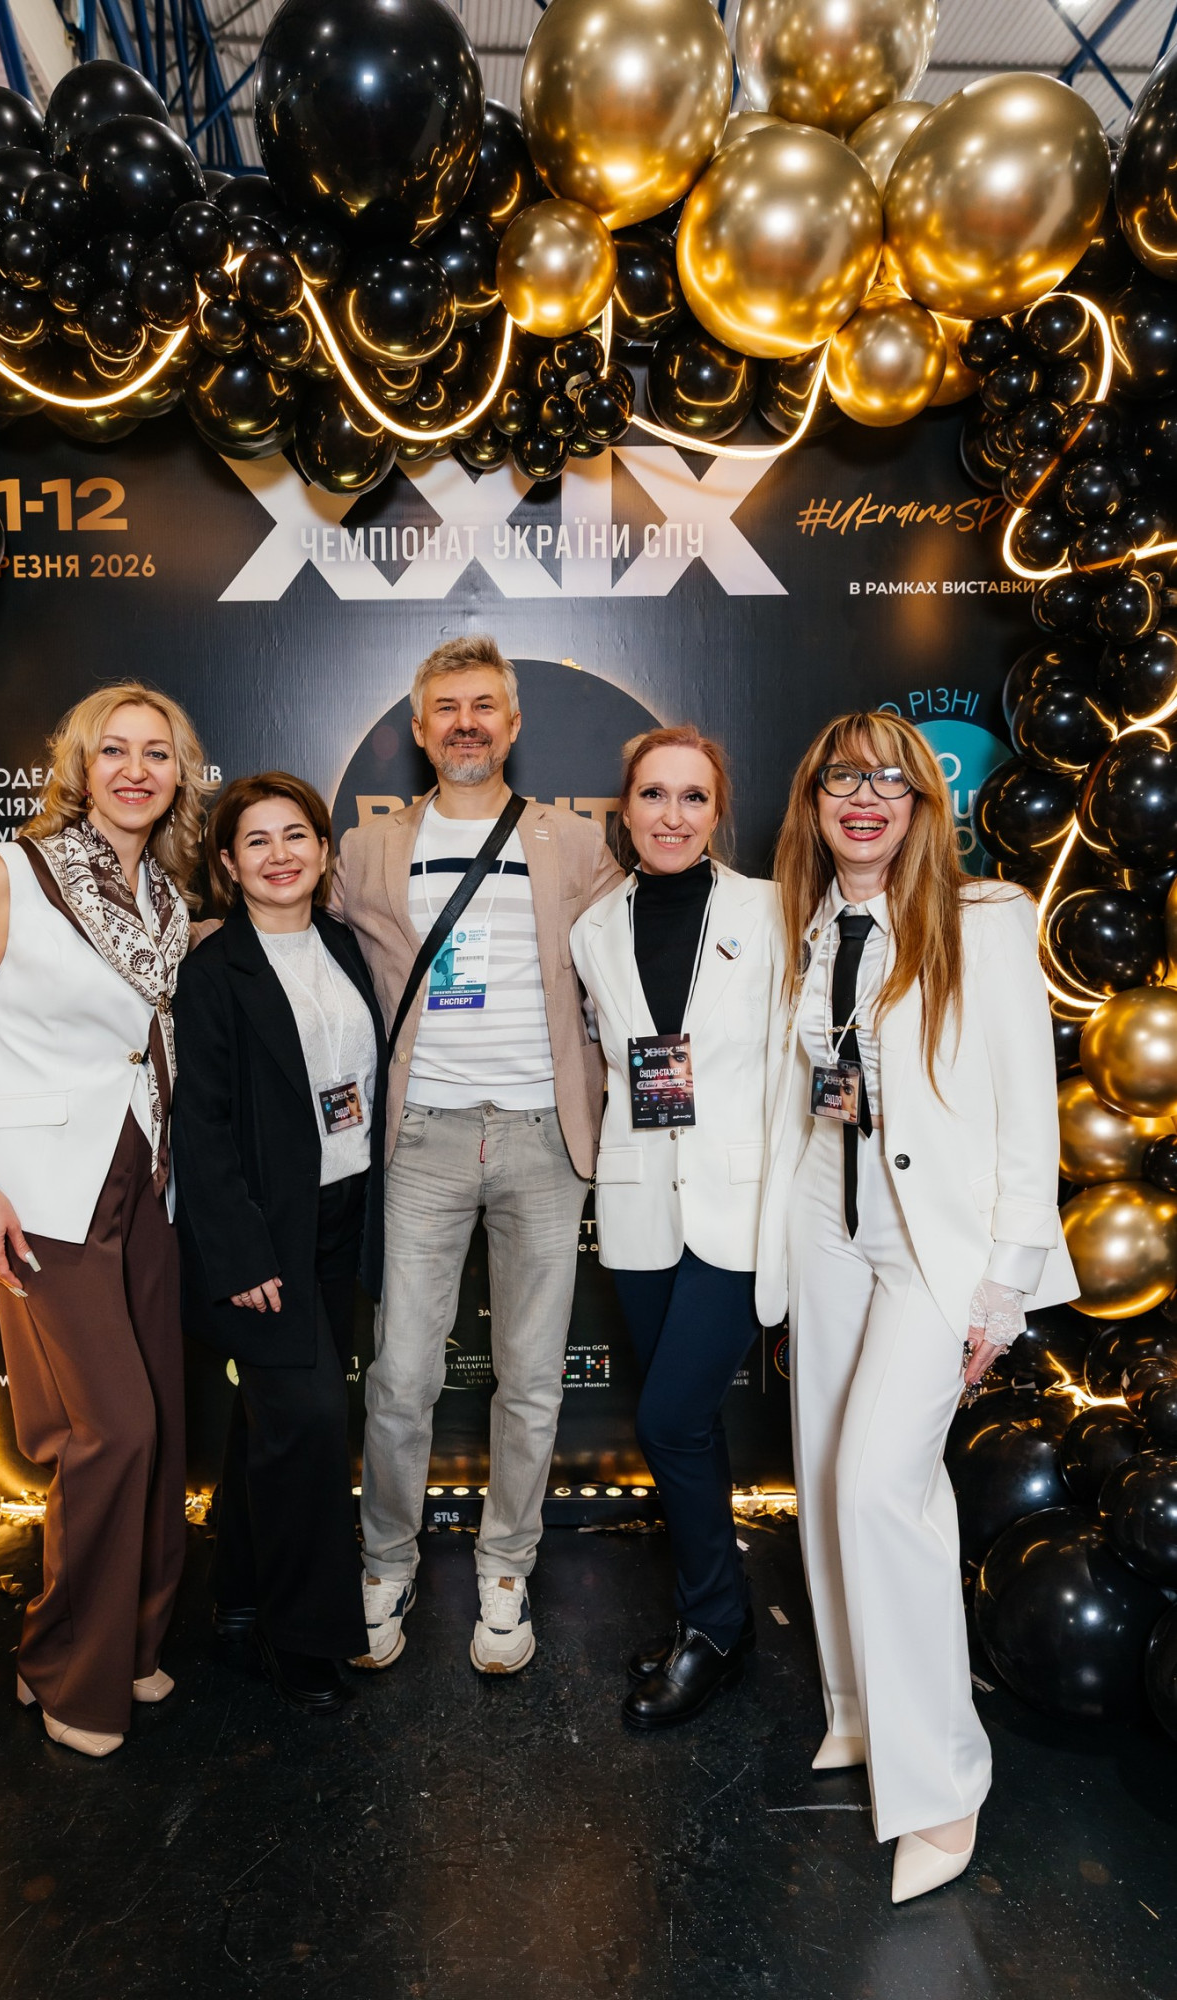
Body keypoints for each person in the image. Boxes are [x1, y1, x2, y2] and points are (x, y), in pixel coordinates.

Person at [755, 711, 1076, 1902]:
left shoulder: (983, 918)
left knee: (880, 1482)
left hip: (932, 1245)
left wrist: (1007, 1276)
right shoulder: (802, 918)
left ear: (921, 806)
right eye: (843, 777)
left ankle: (943, 1778)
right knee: (820, 1464)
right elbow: (801, 1093)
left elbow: (1028, 1112)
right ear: (814, 798)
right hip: (825, 1221)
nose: (866, 797)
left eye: (891, 781)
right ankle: (856, 1706)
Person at [0, 683, 209, 1758]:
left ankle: (129, 1642)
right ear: (78, 767)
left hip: (143, 1180)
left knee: (161, 1426)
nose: (136, 769)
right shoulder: (10, 872)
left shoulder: (164, 898)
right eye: (113, 750)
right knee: (109, 1428)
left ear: (178, 774)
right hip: (38, 1187)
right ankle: (61, 1669)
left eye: (156, 753)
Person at [333, 635, 624, 1673]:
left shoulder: (575, 842)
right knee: (401, 1374)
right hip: (422, 1138)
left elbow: (635, 955)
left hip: (546, 1138)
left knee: (532, 1378)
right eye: (447, 708)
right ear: (419, 729)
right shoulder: (366, 851)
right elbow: (290, 948)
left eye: (483, 706)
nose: (466, 723)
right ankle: (385, 1561)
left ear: (512, 723)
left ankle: (506, 1567)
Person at [571, 726, 783, 1728]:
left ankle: (714, 1626)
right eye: (652, 793)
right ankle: (718, 1621)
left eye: (692, 796)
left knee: (667, 1419)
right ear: (624, 808)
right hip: (639, 1205)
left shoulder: (772, 913)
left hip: (739, 1206)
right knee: (687, 1424)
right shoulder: (591, 928)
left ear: (717, 809)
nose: (671, 814)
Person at [171, 774, 386, 1715]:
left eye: (295, 835)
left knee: (273, 1420)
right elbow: (201, 1129)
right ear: (227, 864)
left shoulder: (342, 943)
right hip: (264, 1234)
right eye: (255, 842)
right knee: (308, 1424)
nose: (279, 855)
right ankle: (300, 1639)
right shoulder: (213, 971)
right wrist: (241, 1255)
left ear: (324, 848)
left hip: (342, 1216)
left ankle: (239, 1596)